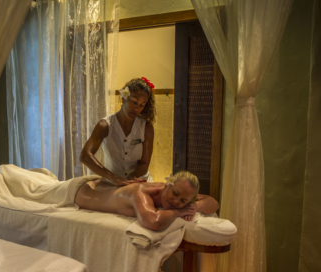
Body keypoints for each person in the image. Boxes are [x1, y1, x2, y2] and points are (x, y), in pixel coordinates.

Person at [75, 170, 219, 231]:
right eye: (175, 193)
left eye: (183, 201)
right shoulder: (141, 192)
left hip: (102, 185)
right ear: (168, 184)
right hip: (78, 191)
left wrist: (195, 206)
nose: (176, 201)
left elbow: (213, 203)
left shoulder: (180, 192)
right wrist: (180, 211)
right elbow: (153, 221)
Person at [80, 77, 156, 186]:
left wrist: (130, 179)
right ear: (124, 97)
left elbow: (144, 163)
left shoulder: (146, 127)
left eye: (142, 105)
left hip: (139, 181)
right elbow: (85, 156)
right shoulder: (105, 125)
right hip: (112, 183)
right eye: (134, 102)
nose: (137, 108)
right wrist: (114, 178)